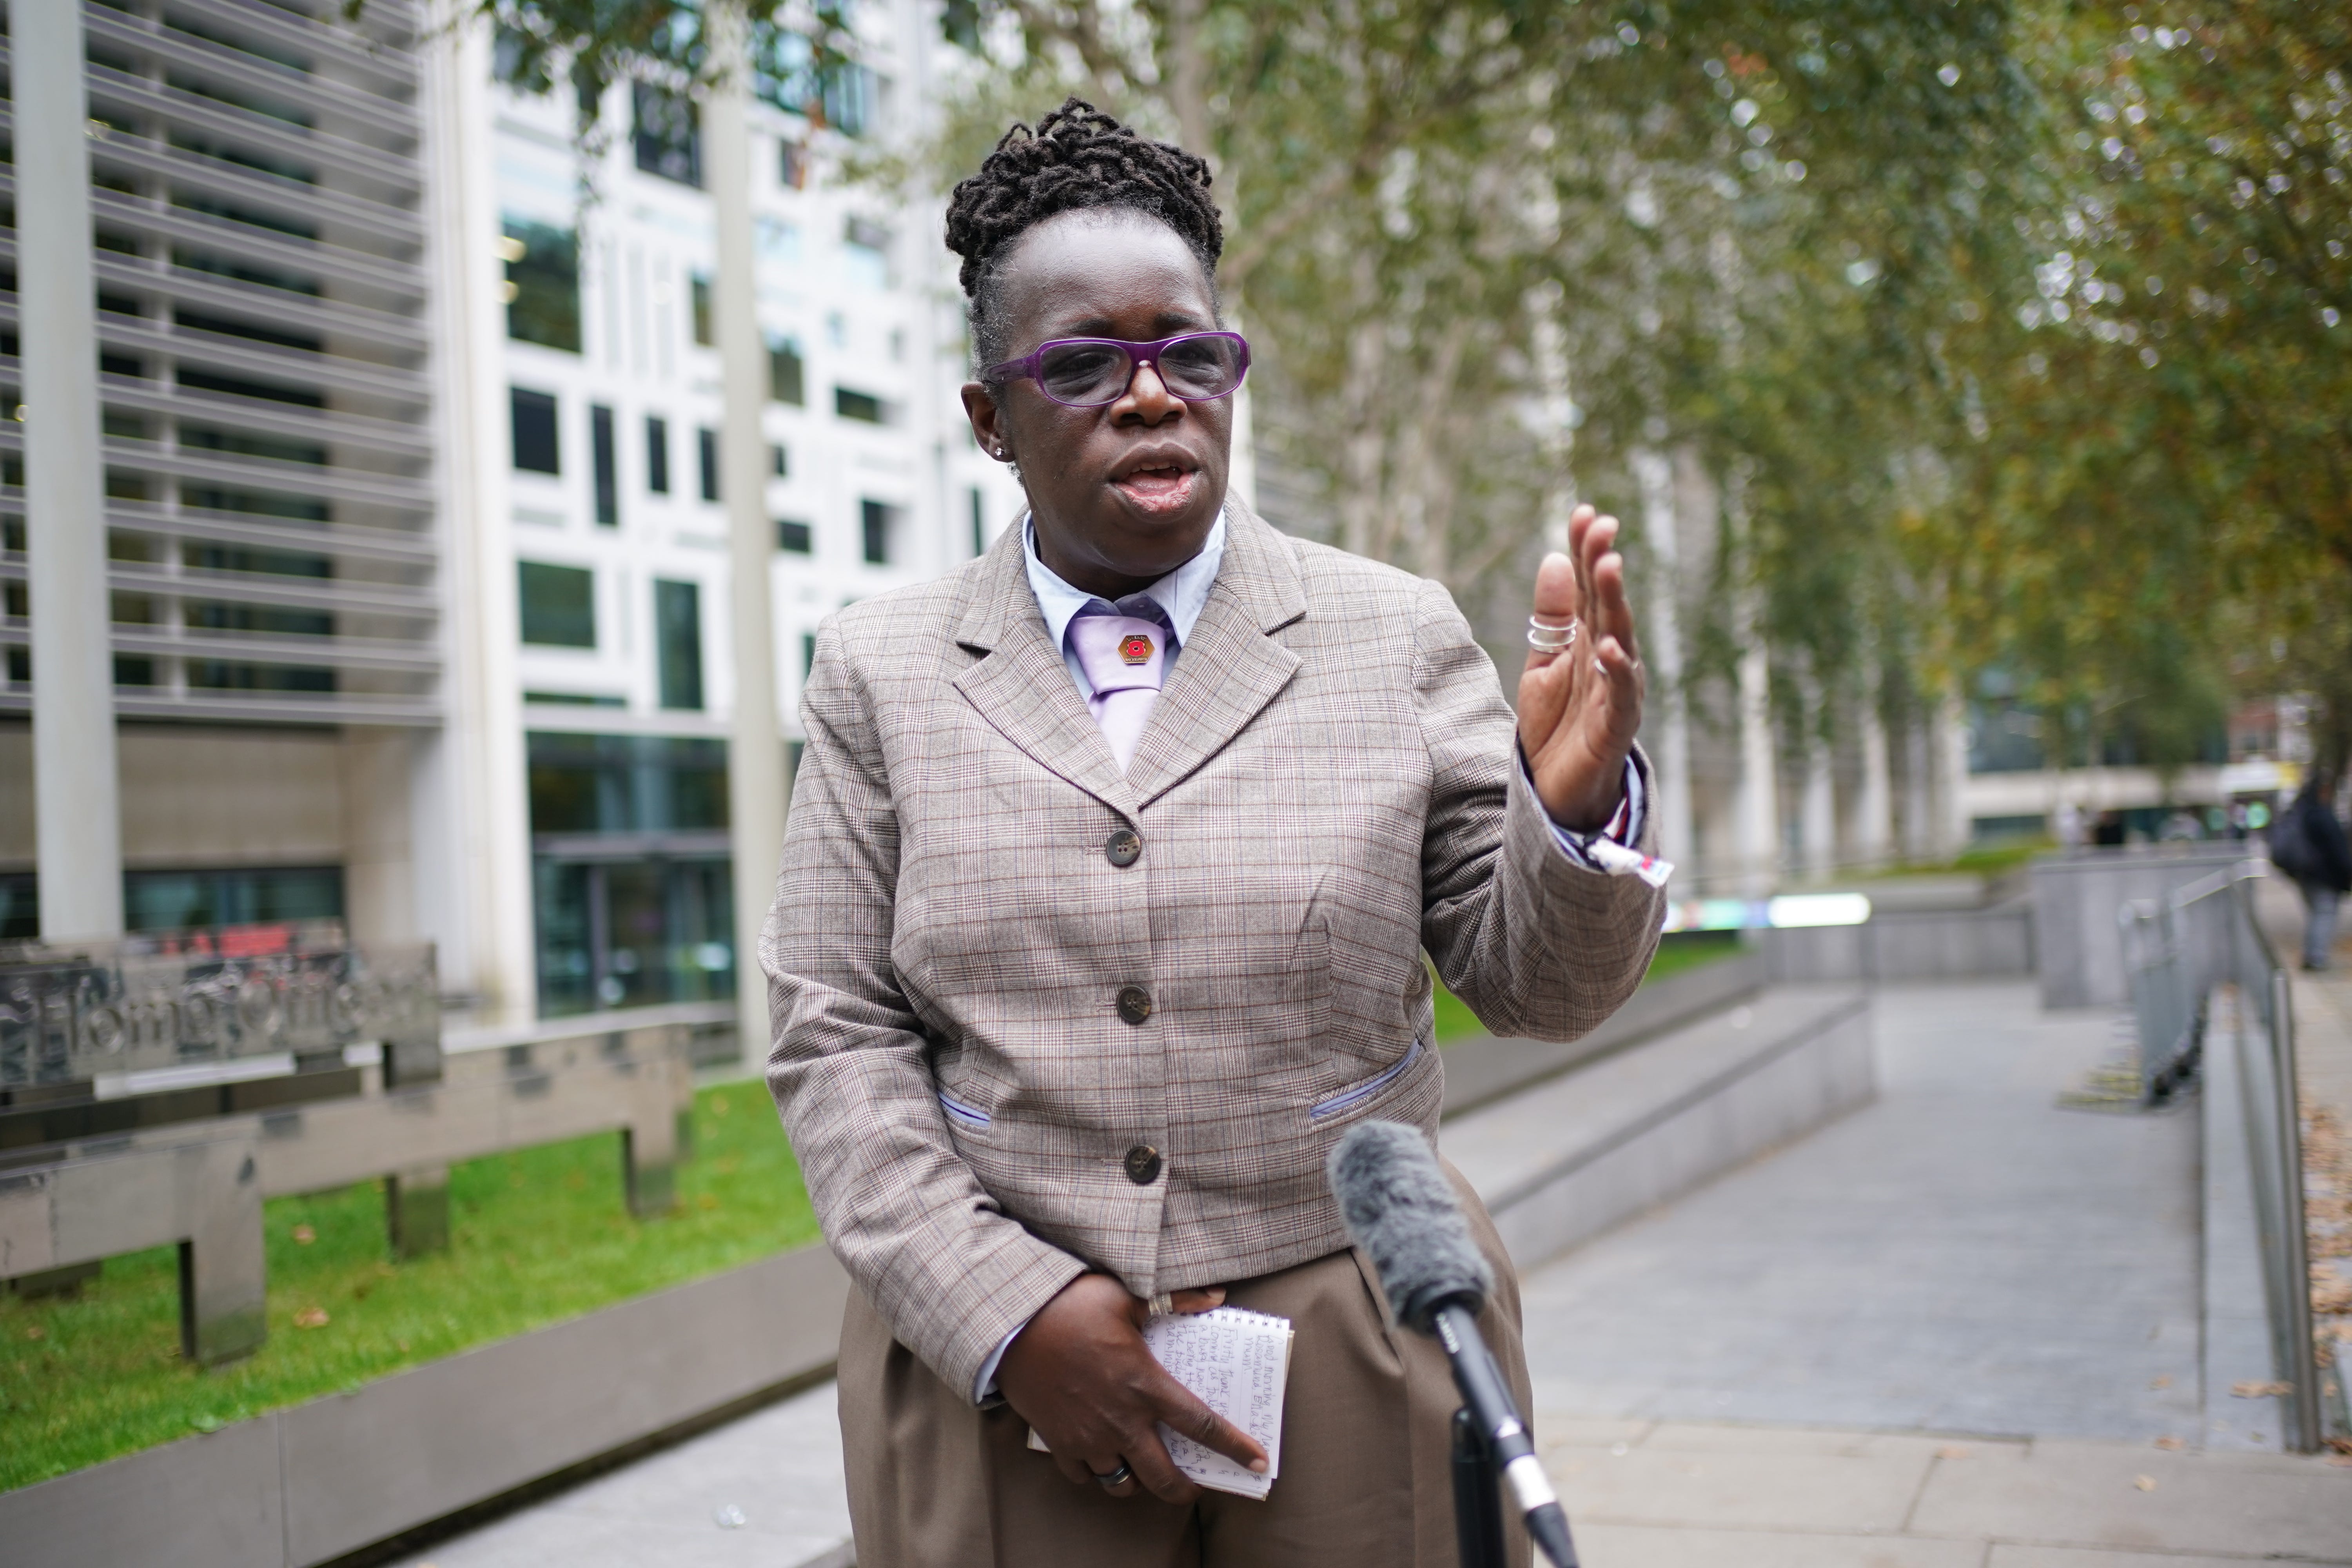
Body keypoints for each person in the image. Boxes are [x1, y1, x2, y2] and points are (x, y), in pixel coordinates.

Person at [762, 100, 1665, 1568]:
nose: (1149, 395)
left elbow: (1537, 989)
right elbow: (833, 1033)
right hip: (1000, 1384)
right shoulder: (882, 670)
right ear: (991, 416)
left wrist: (1561, 815)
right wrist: (1004, 1311)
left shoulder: (1391, 635)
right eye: (1079, 364)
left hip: (1361, 1341)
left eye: (1189, 351)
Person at [2272, 771, 2351, 971]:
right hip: (2322, 875)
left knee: (2317, 913)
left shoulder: (2302, 813)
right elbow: (2336, 849)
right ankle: (2316, 958)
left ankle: (2313, 954)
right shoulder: (2321, 815)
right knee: (2324, 913)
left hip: (2306, 874)